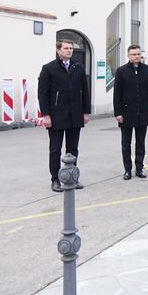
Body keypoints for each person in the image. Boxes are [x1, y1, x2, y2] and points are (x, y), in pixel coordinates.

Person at [37, 40, 90, 192]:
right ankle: (55, 179)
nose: (69, 50)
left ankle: (72, 177)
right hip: (56, 115)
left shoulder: (78, 67)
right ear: (58, 50)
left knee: (73, 149)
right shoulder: (49, 68)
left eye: (71, 48)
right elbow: (42, 93)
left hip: (75, 115)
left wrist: (85, 112)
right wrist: (45, 115)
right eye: (66, 48)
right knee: (55, 150)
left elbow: (85, 91)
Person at [113, 45, 148, 180]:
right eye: (133, 54)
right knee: (126, 144)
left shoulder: (147, 70)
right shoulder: (121, 71)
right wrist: (118, 113)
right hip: (126, 112)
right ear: (128, 56)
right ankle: (127, 170)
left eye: (138, 54)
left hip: (143, 111)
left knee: (140, 142)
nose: (136, 56)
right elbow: (117, 94)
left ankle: (139, 168)